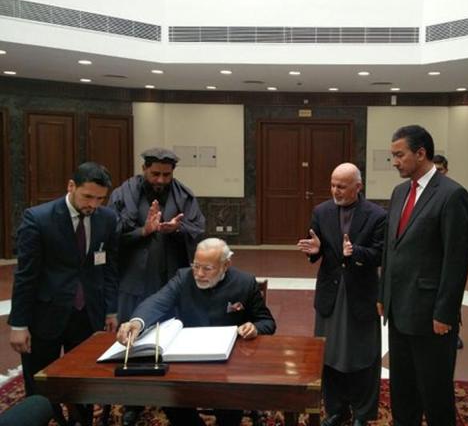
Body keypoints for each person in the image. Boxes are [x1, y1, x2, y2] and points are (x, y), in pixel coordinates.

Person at [117, 237, 275, 426]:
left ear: (226, 265)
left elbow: (267, 322)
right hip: (187, 359)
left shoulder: (244, 282)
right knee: (168, 395)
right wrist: (136, 322)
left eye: (207, 269)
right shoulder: (183, 278)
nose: (199, 274)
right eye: (196, 266)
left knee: (230, 403)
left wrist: (255, 328)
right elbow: (157, 302)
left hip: (229, 362)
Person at [8, 162, 118, 425]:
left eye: (100, 199)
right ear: (71, 187)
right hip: (44, 315)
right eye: (87, 196)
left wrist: (111, 309)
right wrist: (19, 324)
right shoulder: (38, 218)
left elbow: (110, 268)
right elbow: (26, 276)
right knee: (41, 385)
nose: (93, 204)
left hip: (87, 314)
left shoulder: (108, 218)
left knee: (85, 380)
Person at [378, 125, 468, 426]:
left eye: (399, 155)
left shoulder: (451, 195)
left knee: (434, 390)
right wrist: (384, 294)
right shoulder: (399, 192)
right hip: (399, 309)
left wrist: (445, 312)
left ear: (421, 153)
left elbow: (456, 260)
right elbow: (390, 249)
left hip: (431, 314)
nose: (394, 162)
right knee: (402, 388)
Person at [108, 147, 205, 425]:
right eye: (155, 174)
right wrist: (144, 231)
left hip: (171, 279)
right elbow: (111, 233)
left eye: (166, 174)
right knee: (133, 340)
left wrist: (178, 230)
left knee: (172, 338)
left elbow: (198, 228)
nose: (161, 180)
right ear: (144, 170)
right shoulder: (123, 194)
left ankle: (174, 396)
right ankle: (133, 402)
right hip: (133, 281)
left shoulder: (184, 195)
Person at [297, 163, 386, 426]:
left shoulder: (377, 215)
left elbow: (381, 254)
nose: (335, 190)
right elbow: (317, 249)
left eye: (342, 186)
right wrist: (314, 250)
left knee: (363, 356)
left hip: (361, 294)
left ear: (358, 187)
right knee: (329, 355)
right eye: (333, 185)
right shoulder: (321, 211)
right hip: (330, 294)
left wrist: (356, 252)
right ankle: (336, 410)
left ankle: (362, 412)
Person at [432, 154, 464, 350]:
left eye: (441, 170)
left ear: (446, 170)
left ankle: (455, 331)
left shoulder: (454, 194)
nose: (438, 174)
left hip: (447, 259)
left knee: (450, 295)